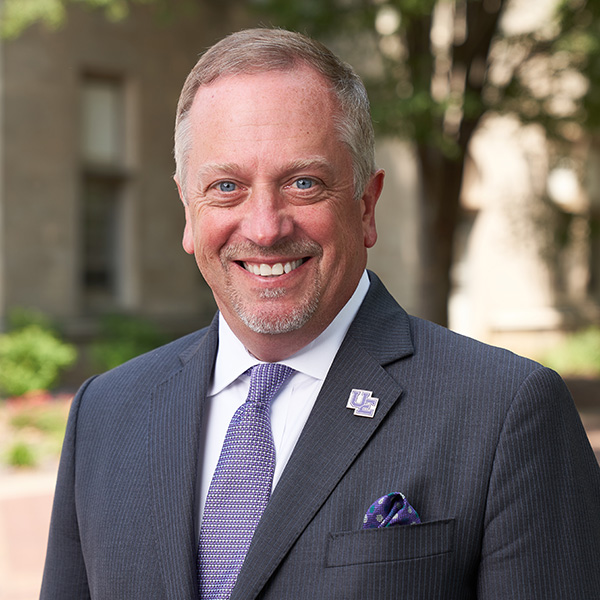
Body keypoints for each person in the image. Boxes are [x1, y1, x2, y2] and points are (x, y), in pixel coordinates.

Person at [41, 28, 600, 600]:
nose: (264, 227)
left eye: (303, 183)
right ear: (188, 209)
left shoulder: (506, 413)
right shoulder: (105, 416)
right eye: (227, 187)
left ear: (366, 205)